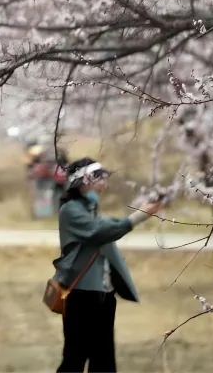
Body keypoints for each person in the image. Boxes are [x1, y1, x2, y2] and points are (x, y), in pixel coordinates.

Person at [54, 158, 163, 373]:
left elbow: (107, 225)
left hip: (102, 293)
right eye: (100, 180)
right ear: (84, 181)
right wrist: (138, 217)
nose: (105, 185)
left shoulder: (89, 208)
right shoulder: (71, 210)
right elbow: (99, 231)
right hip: (81, 293)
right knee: (76, 355)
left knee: (103, 357)